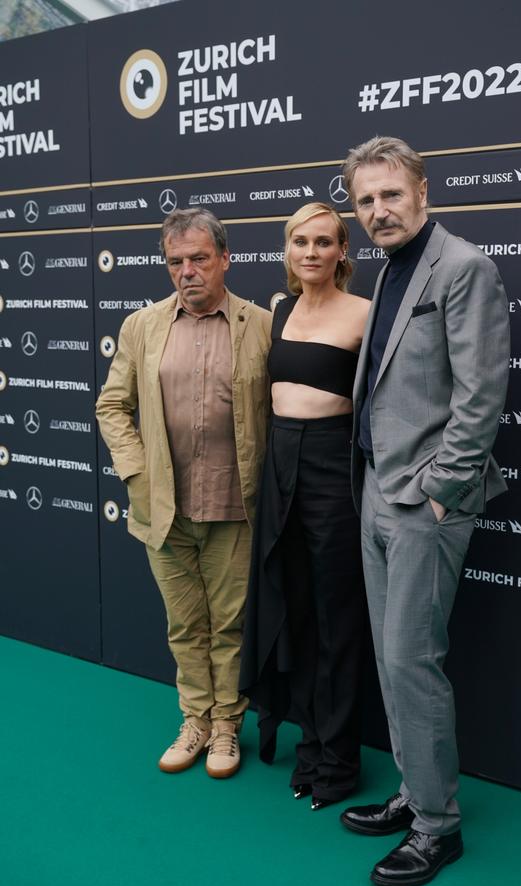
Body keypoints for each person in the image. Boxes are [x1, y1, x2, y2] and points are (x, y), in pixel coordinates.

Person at [339, 137, 510, 886]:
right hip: (378, 489)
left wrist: (441, 487)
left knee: (413, 660)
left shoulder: (464, 266)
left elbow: (481, 395)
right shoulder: (390, 272)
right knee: (390, 656)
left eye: (390, 194)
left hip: (425, 502)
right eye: (365, 200)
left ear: (422, 191)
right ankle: (414, 794)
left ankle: (438, 828)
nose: (378, 210)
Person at [96, 208, 271, 779]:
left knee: (230, 625)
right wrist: (137, 474)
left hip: (234, 505)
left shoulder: (263, 326)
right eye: (176, 262)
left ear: (225, 259)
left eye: (199, 259)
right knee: (184, 623)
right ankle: (195, 719)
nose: (187, 271)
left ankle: (226, 727)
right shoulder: (141, 326)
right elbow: (112, 406)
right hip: (162, 508)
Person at [240, 202, 370, 810]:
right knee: (292, 605)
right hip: (279, 465)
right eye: (300, 241)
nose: (311, 252)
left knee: (336, 617)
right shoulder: (280, 311)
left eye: (323, 241)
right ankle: (309, 741)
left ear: (344, 251)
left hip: (332, 466)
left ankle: (340, 761)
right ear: (286, 251)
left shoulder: (366, 314)